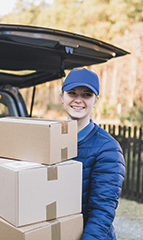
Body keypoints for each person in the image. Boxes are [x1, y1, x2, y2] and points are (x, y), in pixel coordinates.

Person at [60, 68, 125, 240]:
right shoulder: (52, 139)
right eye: (72, 93)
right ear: (62, 97)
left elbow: (101, 212)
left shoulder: (108, 148)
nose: (78, 100)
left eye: (86, 95)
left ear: (96, 100)